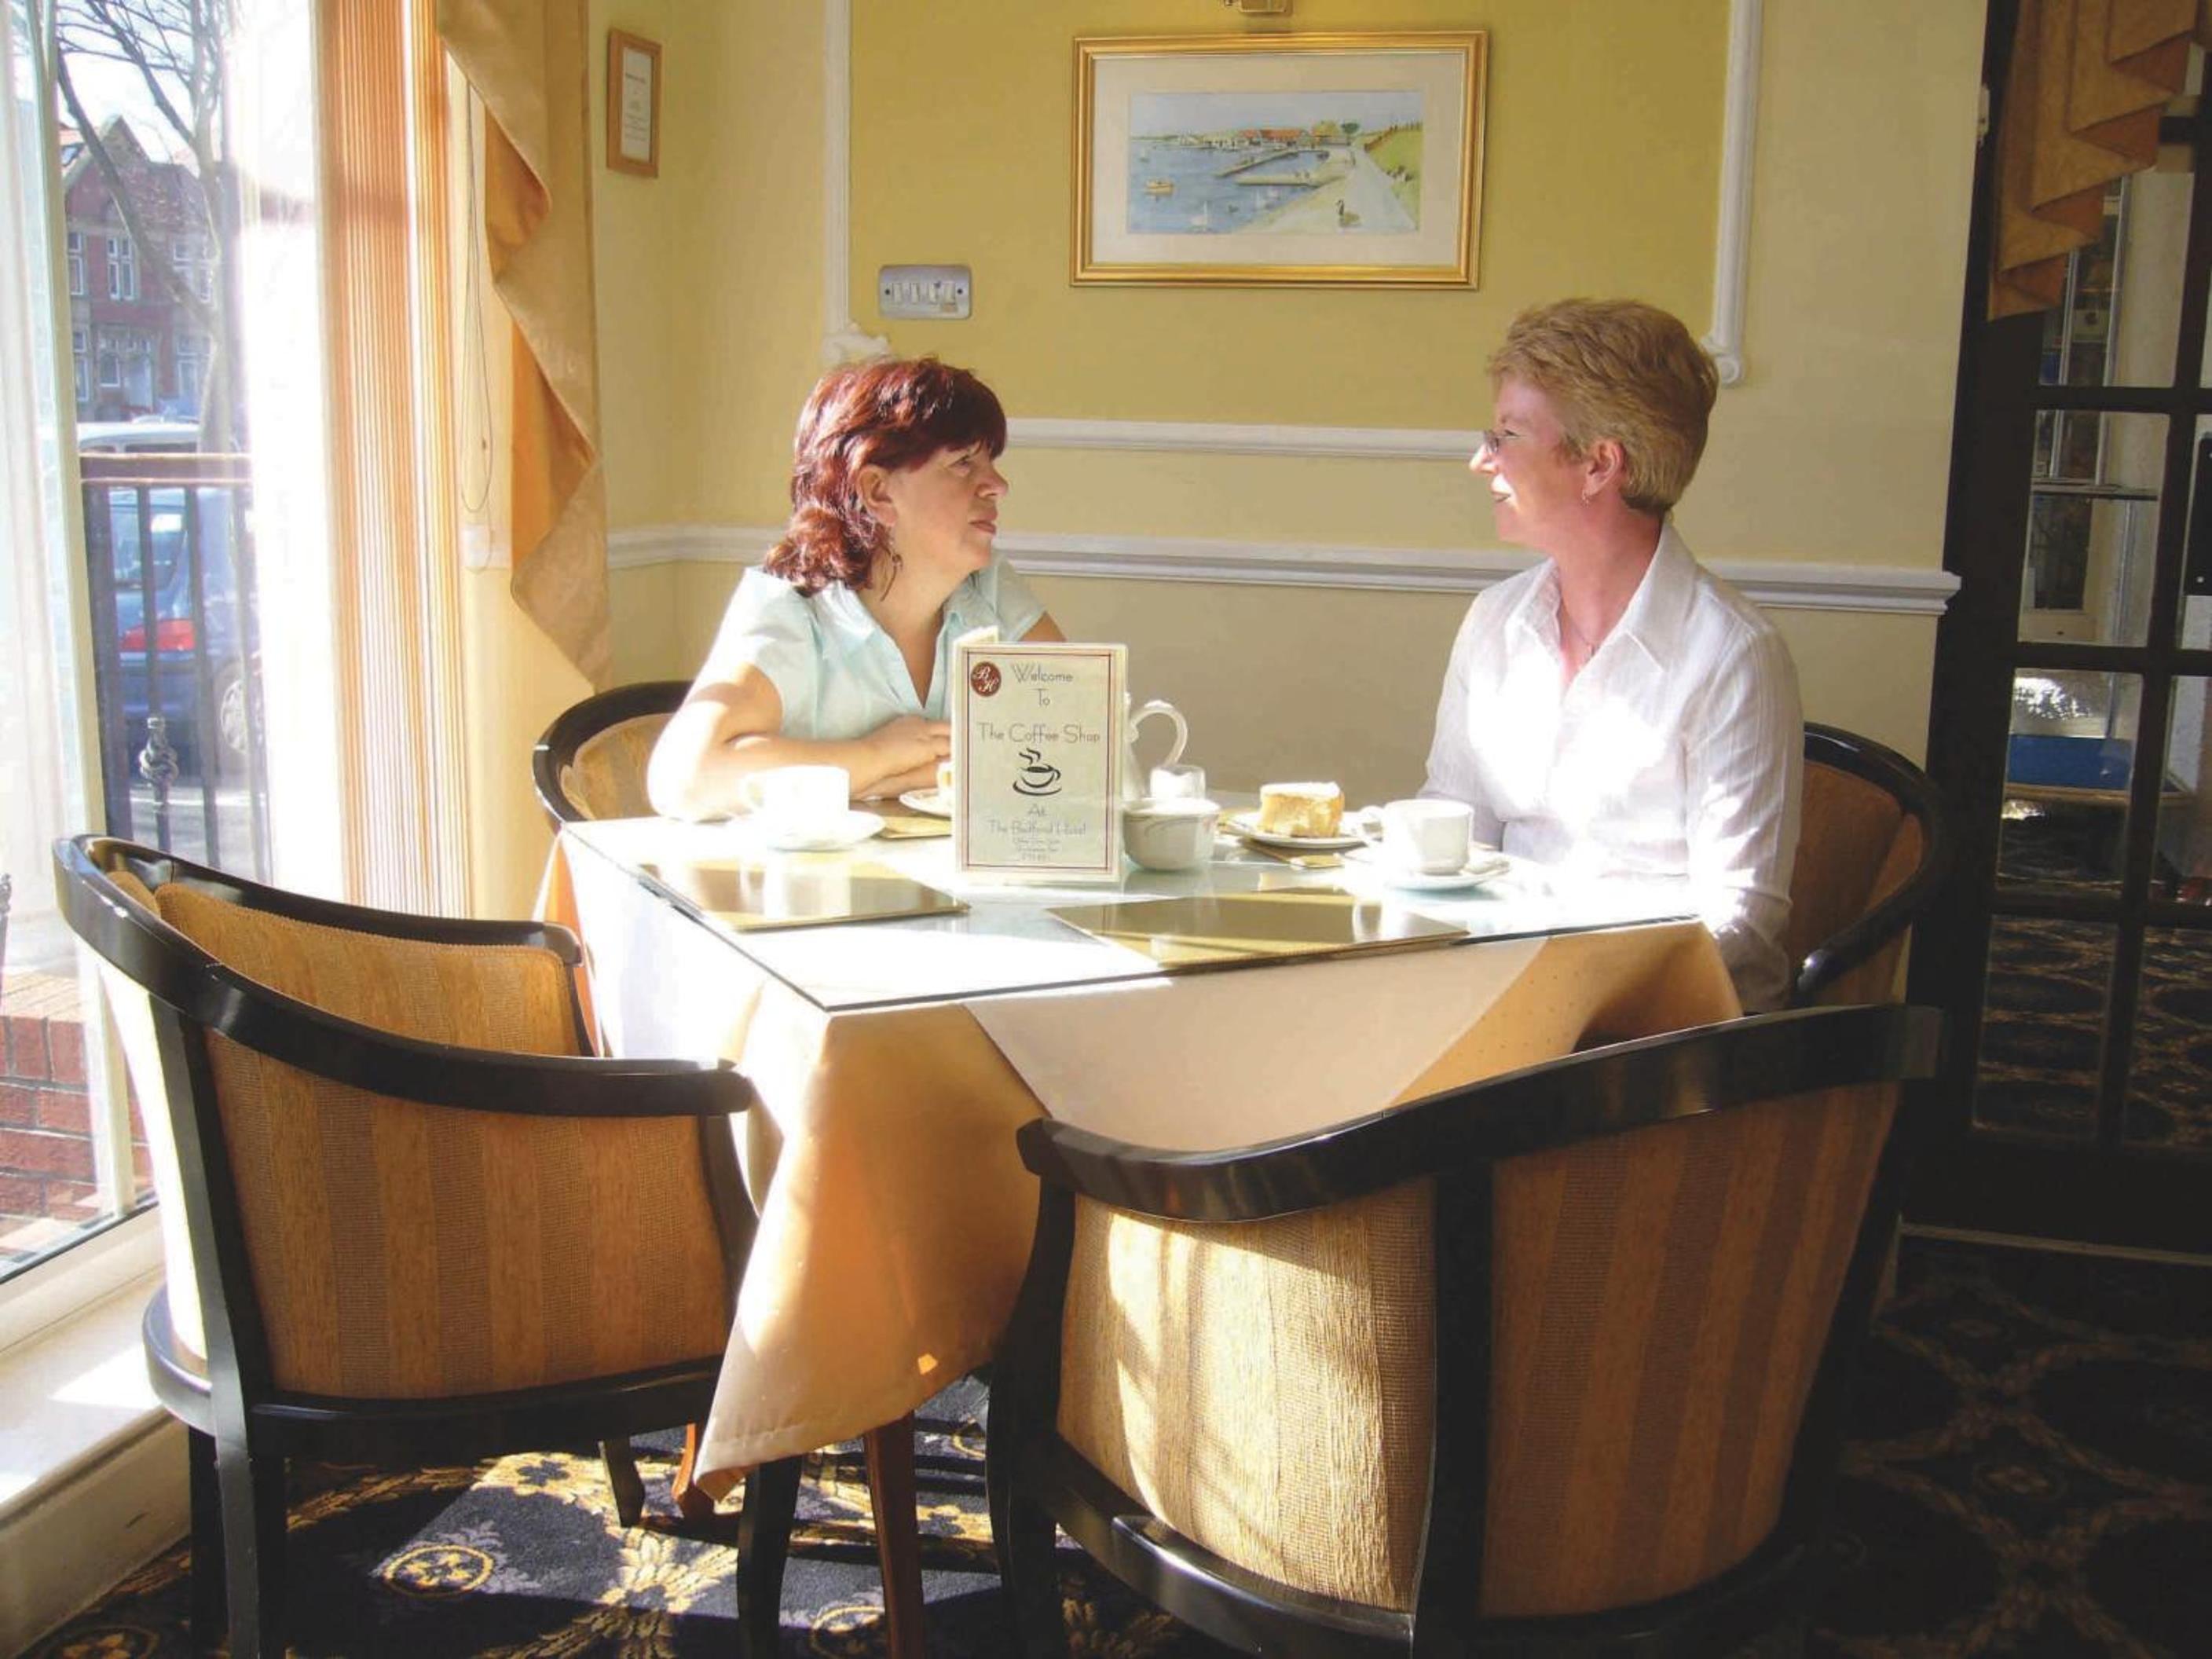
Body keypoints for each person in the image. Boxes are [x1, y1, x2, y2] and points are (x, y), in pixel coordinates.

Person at [1421, 298, 1802, 1009]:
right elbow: (1453, 824)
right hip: (1507, 992)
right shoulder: (1495, 622)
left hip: (1667, 1030)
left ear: (1599, 465)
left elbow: (1740, 919)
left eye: (1506, 436)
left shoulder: (1733, 654)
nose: (1481, 460)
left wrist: (1559, 987)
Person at [648, 357, 1063, 818]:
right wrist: (876, 757)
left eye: (991, 463)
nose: (998, 485)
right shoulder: (793, 609)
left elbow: (1081, 736)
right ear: (877, 491)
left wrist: (886, 781)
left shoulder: (989, 587)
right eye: (964, 463)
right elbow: (684, 779)